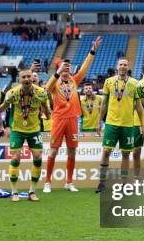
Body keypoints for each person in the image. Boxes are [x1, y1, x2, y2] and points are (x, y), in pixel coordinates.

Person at [43, 37, 102, 193]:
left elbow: (84, 68)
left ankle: (69, 182)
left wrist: (92, 51)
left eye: (68, 66)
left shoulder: (74, 81)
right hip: (59, 120)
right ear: (59, 68)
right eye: (64, 66)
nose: (67, 68)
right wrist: (57, 72)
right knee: (53, 151)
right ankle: (47, 182)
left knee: (72, 151)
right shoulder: (55, 82)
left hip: (73, 121)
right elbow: (47, 88)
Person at [0, 69, 50, 201]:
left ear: (33, 78)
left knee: (38, 158)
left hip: (34, 130)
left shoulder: (41, 93)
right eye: (23, 77)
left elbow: (45, 106)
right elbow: (4, 105)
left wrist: (47, 114)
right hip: (17, 130)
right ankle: (14, 192)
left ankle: (32, 192)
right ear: (19, 80)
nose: (26, 79)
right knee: (16, 158)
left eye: (28, 76)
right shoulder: (12, 93)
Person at [96, 58, 144, 192]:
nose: (123, 67)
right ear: (117, 67)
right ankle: (101, 183)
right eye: (121, 64)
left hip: (128, 125)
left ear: (128, 67)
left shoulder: (135, 83)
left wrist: (141, 125)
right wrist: (99, 121)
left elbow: (139, 106)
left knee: (125, 154)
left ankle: (124, 184)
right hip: (111, 123)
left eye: (125, 65)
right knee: (106, 151)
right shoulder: (109, 82)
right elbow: (104, 103)